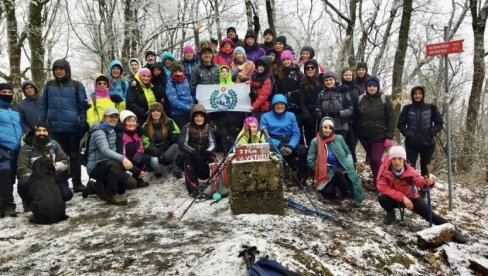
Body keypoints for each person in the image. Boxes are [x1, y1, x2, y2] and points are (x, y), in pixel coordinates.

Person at [377, 146, 468, 243]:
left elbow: (419, 181)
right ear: (390, 159)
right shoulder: (384, 169)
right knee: (383, 198)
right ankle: (390, 213)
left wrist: (427, 183)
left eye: (400, 159)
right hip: (394, 198)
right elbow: (382, 187)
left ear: (404, 159)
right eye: (394, 159)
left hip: (412, 198)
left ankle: (453, 230)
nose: (397, 162)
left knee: (431, 215)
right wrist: (402, 197)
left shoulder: (410, 171)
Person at [39, 59, 89, 192]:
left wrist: (83, 123)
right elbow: (43, 105)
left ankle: (77, 183)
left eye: (61, 69)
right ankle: (61, 184)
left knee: (75, 157)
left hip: (73, 129)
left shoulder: (77, 85)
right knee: (58, 157)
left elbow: (82, 107)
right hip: (55, 129)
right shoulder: (49, 85)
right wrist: (42, 124)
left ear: (67, 70)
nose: (59, 71)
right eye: (56, 69)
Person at [307, 117, 364, 211]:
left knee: (338, 172)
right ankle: (339, 189)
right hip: (328, 172)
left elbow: (348, 152)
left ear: (333, 129)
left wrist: (348, 163)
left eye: (330, 128)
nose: (327, 130)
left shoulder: (339, 138)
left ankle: (346, 199)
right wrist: (321, 168)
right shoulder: (315, 141)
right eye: (325, 127)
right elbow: (310, 160)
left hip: (341, 168)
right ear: (321, 127)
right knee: (327, 193)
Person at [17, 122, 73, 212]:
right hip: (34, 180)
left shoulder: (54, 145)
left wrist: (54, 167)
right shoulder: (26, 148)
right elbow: (22, 169)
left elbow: (65, 161)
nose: (41, 133)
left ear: (48, 133)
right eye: (39, 130)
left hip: (52, 178)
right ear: (35, 132)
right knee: (23, 182)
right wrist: (40, 175)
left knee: (66, 195)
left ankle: (54, 199)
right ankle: (28, 201)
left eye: (44, 130)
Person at [86, 107, 137, 205]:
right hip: (95, 167)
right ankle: (111, 195)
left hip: (108, 166)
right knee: (116, 163)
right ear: (104, 118)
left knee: (131, 184)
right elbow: (105, 151)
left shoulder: (111, 130)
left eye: (116, 117)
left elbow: (113, 152)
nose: (114, 119)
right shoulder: (99, 132)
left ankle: (96, 187)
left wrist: (133, 169)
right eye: (111, 116)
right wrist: (123, 159)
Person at [354, 76, 394, 188]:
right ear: (366, 87)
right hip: (364, 136)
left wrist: (389, 137)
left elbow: (391, 118)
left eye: (374, 86)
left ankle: (383, 183)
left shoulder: (384, 98)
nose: (372, 88)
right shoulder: (361, 99)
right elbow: (356, 117)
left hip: (380, 136)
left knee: (376, 159)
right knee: (372, 160)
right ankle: (378, 183)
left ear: (378, 87)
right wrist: (357, 133)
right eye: (369, 86)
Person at [260, 94, 309, 184]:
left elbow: (296, 133)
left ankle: (301, 178)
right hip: (274, 141)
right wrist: (278, 145)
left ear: (285, 105)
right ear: (273, 105)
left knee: (303, 150)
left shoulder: (291, 115)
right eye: (277, 104)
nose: (279, 106)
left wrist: (291, 146)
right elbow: (263, 135)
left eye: (282, 104)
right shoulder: (265, 116)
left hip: (289, 141)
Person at [397, 86, 443, 179]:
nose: (417, 96)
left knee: (426, 168)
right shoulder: (407, 108)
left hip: (427, 144)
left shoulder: (431, 108)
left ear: (423, 95)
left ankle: (424, 189)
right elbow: (400, 124)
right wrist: (408, 134)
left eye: (419, 93)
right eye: (415, 94)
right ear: (412, 95)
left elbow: (439, 123)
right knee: (410, 168)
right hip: (411, 144)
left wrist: (431, 133)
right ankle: (411, 189)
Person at [178, 104, 216, 195]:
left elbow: (213, 143)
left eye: (201, 116)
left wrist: (207, 151)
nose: (199, 119)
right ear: (192, 117)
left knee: (213, 162)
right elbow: (182, 143)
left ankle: (214, 184)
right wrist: (194, 152)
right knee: (189, 163)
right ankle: (193, 189)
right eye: (197, 116)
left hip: (203, 153)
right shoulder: (187, 127)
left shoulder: (208, 127)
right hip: (190, 153)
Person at [0, 83, 22, 217]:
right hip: (3, 149)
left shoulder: (14, 110)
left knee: (12, 178)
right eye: (4, 92)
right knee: (5, 175)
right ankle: (8, 205)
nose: (7, 94)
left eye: (9, 92)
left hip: (17, 149)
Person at [142, 103, 181, 178]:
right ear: (150, 113)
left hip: (167, 151)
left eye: (158, 111)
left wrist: (174, 137)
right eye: (153, 111)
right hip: (155, 154)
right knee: (156, 166)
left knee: (178, 145)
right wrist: (156, 152)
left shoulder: (169, 121)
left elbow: (177, 133)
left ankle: (176, 167)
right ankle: (157, 170)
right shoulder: (146, 125)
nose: (156, 113)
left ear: (161, 112)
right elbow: (145, 143)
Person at [315, 71, 353, 139]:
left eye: (331, 80)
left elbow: (350, 110)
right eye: (326, 80)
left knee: (337, 147)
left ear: (334, 80)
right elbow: (318, 107)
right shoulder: (321, 94)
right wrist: (318, 112)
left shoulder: (343, 92)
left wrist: (339, 113)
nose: (329, 82)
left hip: (341, 126)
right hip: (327, 126)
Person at [119, 110, 151, 187]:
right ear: (123, 122)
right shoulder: (121, 135)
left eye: (133, 121)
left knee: (146, 158)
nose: (132, 123)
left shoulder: (137, 133)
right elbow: (121, 153)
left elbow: (140, 147)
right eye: (129, 121)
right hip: (123, 162)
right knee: (124, 187)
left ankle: (138, 179)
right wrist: (134, 169)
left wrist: (138, 157)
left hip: (133, 159)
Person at [339, 67, 361, 164]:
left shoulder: (357, 88)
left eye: (350, 75)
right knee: (345, 143)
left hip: (355, 120)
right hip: (343, 120)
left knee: (353, 144)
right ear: (342, 76)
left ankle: (353, 164)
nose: (348, 77)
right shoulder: (339, 88)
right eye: (346, 75)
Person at [299, 59, 322, 146]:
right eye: (307, 68)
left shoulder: (321, 81)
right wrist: (307, 116)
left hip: (319, 114)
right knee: (310, 140)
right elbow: (302, 101)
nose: (310, 70)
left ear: (316, 69)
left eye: (312, 68)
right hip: (308, 114)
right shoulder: (303, 84)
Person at [275, 50, 303, 121]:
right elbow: (279, 88)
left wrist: (291, 94)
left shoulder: (298, 72)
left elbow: (302, 88)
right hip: (284, 103)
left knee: (295, 124)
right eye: (284, 60)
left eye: (287, 59)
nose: (286, 61)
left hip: (296, 104)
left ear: (291, 59)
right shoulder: (280, 72)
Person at [166, 62, 194, 128]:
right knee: (182, 133)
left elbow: (189, 93)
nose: (178, 73)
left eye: (180, 71)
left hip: (189, 112)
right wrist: (188, 107)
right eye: (176, 71)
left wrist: (192, 104)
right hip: (178, 114)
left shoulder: (185, 80)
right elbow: (173, 101)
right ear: (172, 72)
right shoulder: (170, 83)